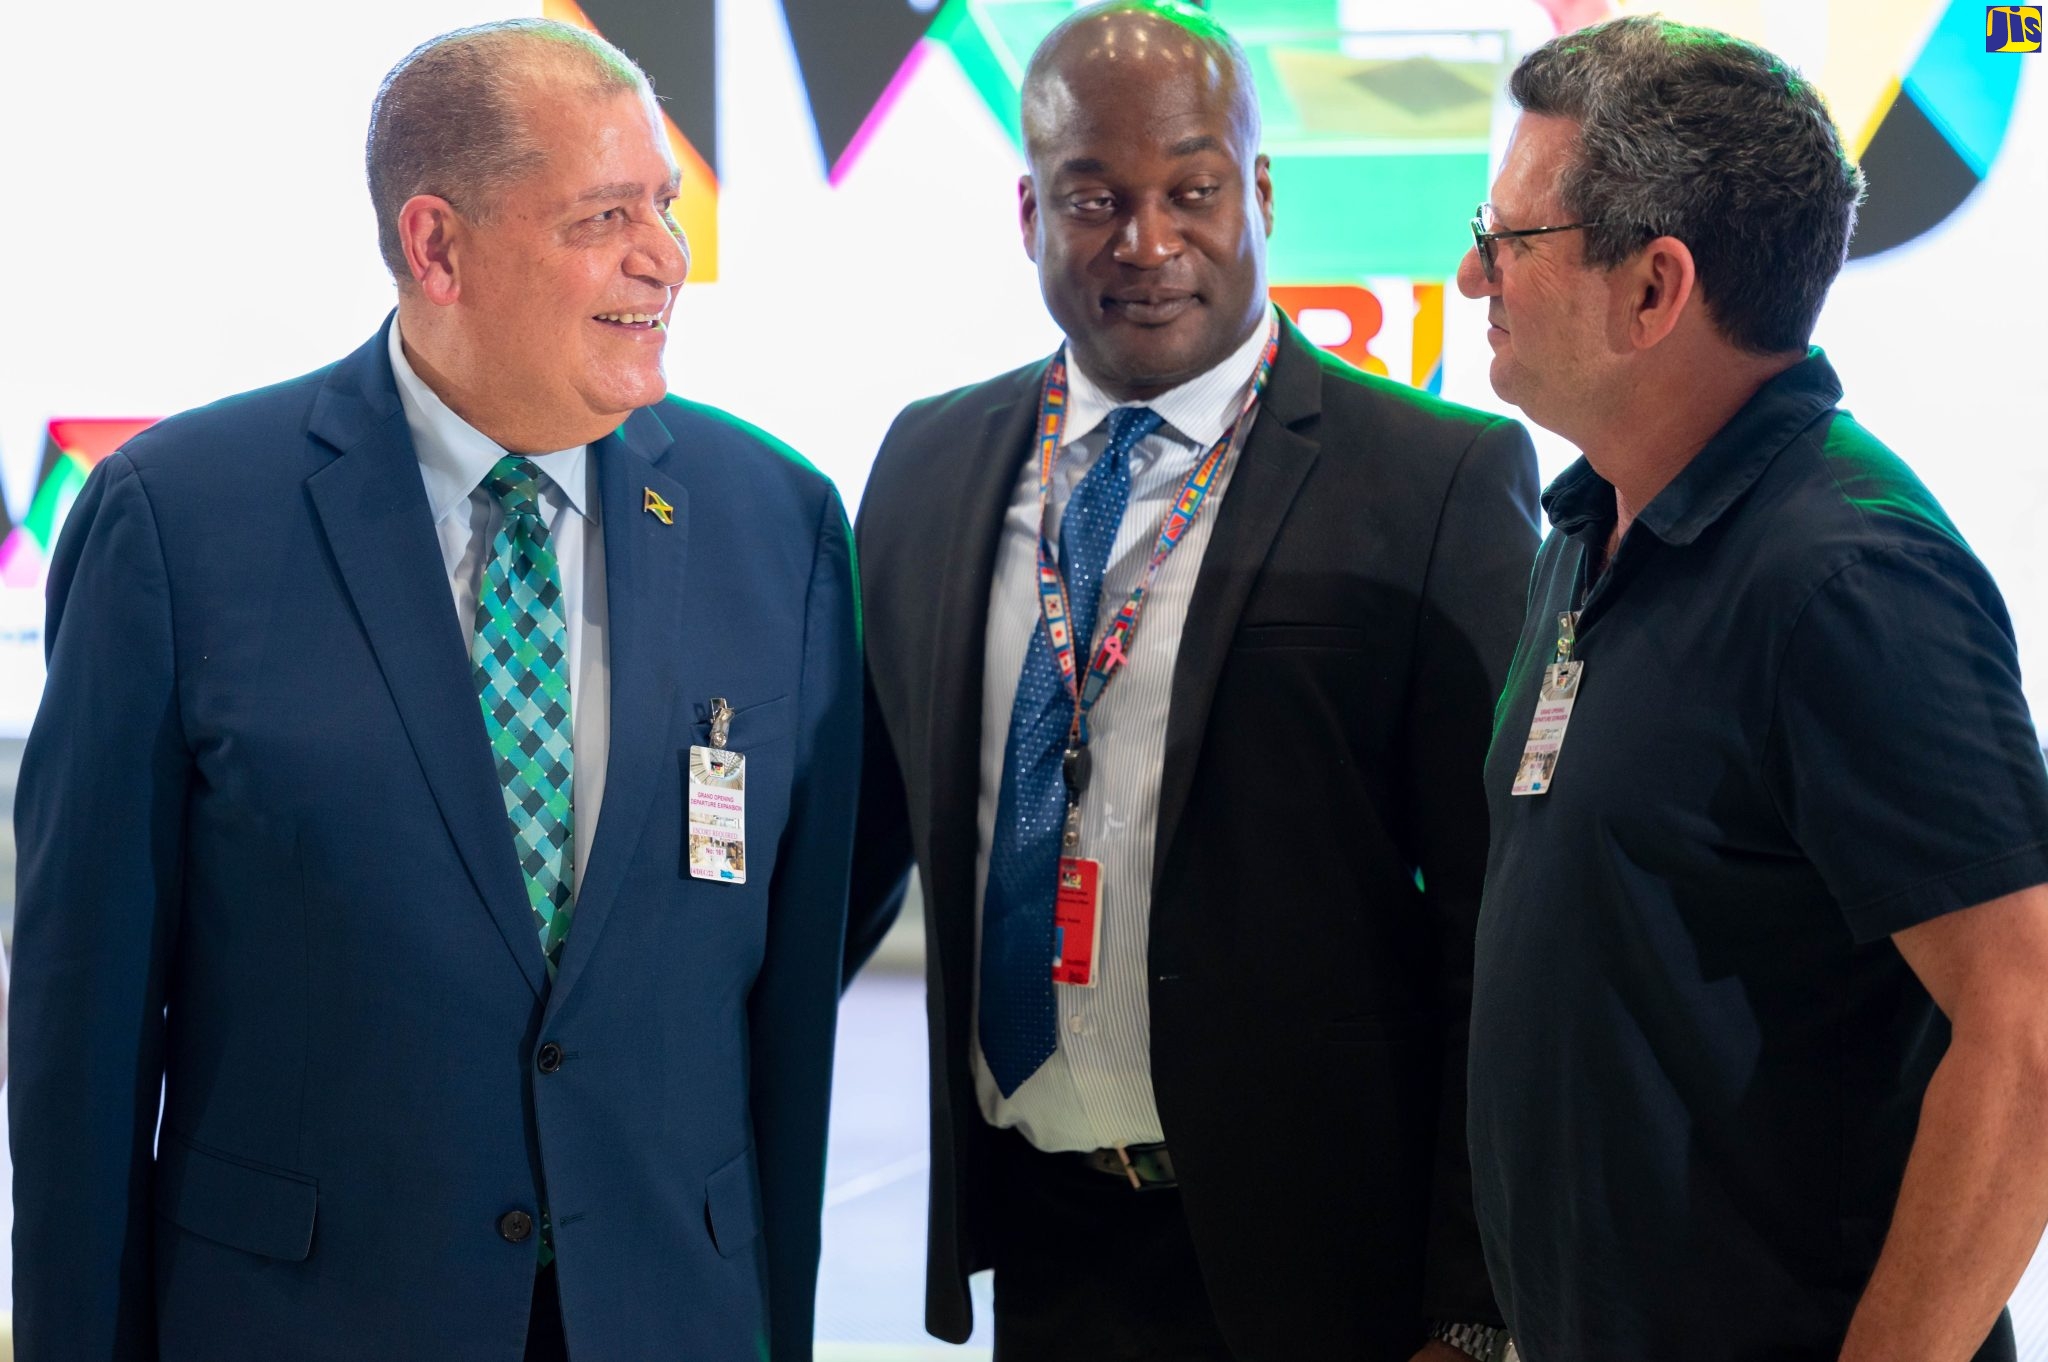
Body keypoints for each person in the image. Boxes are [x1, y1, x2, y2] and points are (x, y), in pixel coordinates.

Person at [9, 19, 859, 1362]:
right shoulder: (178, 522)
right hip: (304, 1319)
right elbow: (83, 1024)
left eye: (663, 204)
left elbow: (789, 1004)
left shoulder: (781, 521)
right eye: (602, 215)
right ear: (437, 245)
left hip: (666, 1317)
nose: (662, 256)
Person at [846, 4, 1540, 1359]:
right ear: (1029, 206)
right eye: (1095, 196)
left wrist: (1473, 1300)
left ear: (1262, 193)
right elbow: (860, 843)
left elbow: (1494, 932)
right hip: (1044, 1244)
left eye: (1193, 191)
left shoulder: (1434, 481)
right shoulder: (929, 462)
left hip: (1328, 1266)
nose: (1146, 243)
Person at [1459, 17, 2048, 1362]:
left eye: (1510, 241)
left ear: (1654, 289)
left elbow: (2028, 1038)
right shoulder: (1594, 529)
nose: (1470, 271)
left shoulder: (1848, 581)